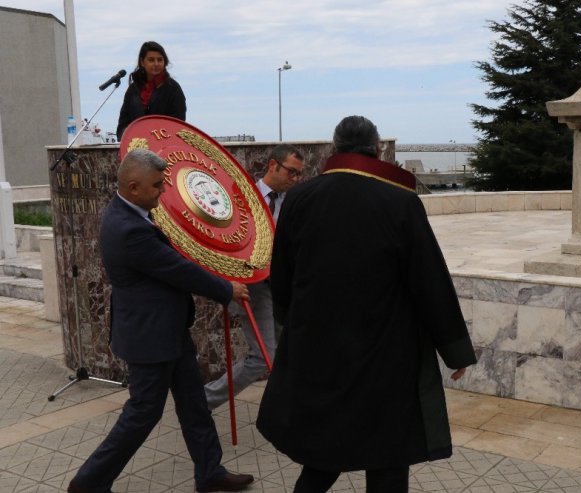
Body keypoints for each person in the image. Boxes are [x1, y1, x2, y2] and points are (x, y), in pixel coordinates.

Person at [256, 116, 477, 492]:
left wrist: (293, 328)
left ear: (335, 148)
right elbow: (429, 281)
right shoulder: (401, 202)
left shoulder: (299, 199)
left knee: (323, 456)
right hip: (386, 355)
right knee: (388, 458)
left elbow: (282, 275)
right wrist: (455, 351)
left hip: (321, 350)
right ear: (376, 149)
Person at [67, 149, 254, 493]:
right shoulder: (129, 229)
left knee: (194, 404)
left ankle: (209, 473)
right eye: (156, 186)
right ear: (134, 186)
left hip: (167, 331)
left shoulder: (130, 211)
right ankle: (88, 483)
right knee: (143, 413)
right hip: (150, 337)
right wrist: (226, 289)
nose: (162, 191)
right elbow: (176, 269)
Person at [204, 144, 305, 410]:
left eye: (298, 175)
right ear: (273, 165)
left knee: (288, 351)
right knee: (261, 357)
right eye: (291, 172)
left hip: (282, 288)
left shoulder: (291, 203)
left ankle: (287, 405)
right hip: (252, 287)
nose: (294, 179)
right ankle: (203, 401)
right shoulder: (242, 197)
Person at [116, 41, 186, 140]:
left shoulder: (173, 89)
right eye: (151, 60)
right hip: (135, 149)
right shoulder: (133, 90)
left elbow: (178, 126)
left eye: (160, 60)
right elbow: (122, 125)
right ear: (142, 62)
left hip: (163, 148)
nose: (156, 64)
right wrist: (130, 139)